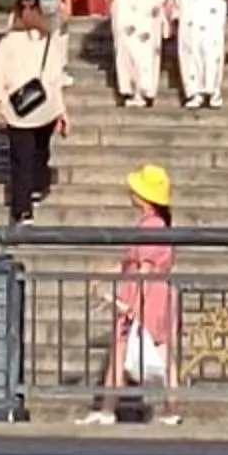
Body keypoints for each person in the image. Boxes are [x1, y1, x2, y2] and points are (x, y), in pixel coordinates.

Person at [84, 164, 179, 424]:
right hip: (156, 297)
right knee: (162, 355)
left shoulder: (150, 227)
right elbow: (134, 264)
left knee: (121, 353)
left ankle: (107, 409)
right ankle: (170, 410)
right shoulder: (158, 225)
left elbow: (144, 268)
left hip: (144, 296)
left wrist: (135, 304)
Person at [0, 0, 68, 222]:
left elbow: (0, 75)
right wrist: (62, 111)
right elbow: (56, 79)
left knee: (20, 160)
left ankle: (22, 210)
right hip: (46, 105)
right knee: (40, 151)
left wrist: (0, 101)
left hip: (18, 109)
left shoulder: (7, 43)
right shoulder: (50, 41)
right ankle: (37, 185)